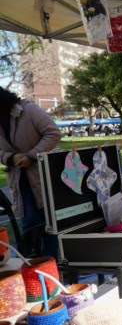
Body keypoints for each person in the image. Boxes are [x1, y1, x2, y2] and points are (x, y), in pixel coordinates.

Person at [0, 87, 61, 257]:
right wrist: (10, 158)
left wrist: (32, 156)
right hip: (19, 180)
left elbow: (53, 133)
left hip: (42, 176)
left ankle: (51, 265)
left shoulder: (29, 110)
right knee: (28, 225)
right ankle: (32, 267)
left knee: (49, 223)